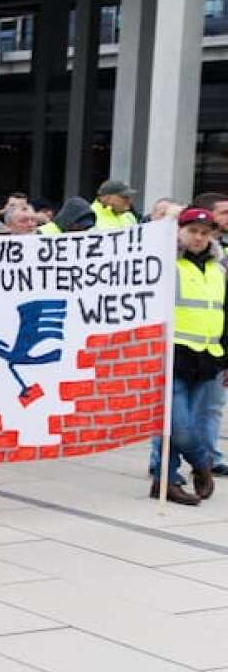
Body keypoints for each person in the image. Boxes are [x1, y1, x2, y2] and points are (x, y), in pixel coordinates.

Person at [153, 209, 227, 505]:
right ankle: (201, 463)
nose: (198, 237)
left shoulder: (218, 269)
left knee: (187, 425)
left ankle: (166, 481)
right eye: (192, 231)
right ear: (179, 231)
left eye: (204, 233)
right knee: (178, 426)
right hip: (173, 354)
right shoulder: (166, 263)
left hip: (207, 357)